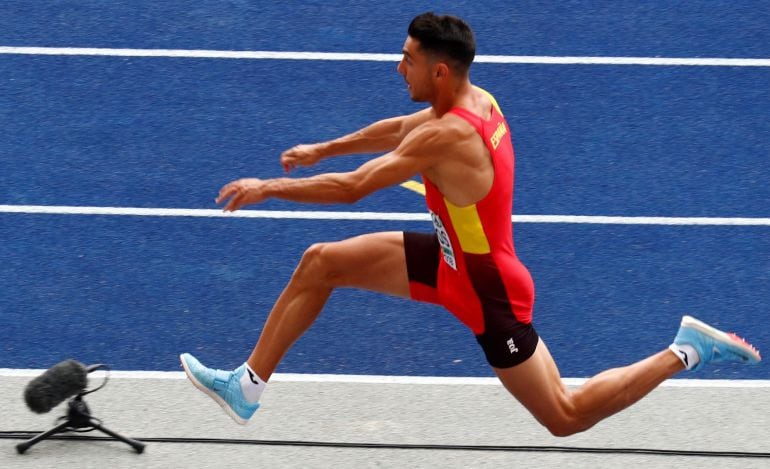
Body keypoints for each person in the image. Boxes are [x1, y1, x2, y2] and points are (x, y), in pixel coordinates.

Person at [180, 12, 761, 434]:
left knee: (565, 414)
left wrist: (270, 187)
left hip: (489, 291)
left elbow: (357, 188)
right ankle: (248, 386)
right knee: (321, 263)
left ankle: (684, 351)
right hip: (449, 259)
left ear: (437, 71)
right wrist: (321, 148)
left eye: (407, 57)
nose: (398, 64)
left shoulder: (450, 135)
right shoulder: (473, 100)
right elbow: (397, 128)